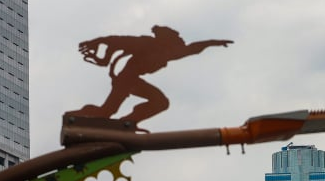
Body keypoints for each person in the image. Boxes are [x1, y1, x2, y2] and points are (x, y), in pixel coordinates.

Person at [76, 26, 232, 127]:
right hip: (125, 79)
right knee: (108, 111)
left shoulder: (169, 52)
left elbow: (193, 48)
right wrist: (95, 42)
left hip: (132, 81)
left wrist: (214, 42)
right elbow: (116, 40)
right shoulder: (146, 43)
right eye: (177, 40)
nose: (180, 43)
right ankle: (76, 117)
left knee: (160, 102)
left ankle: (126, 123)